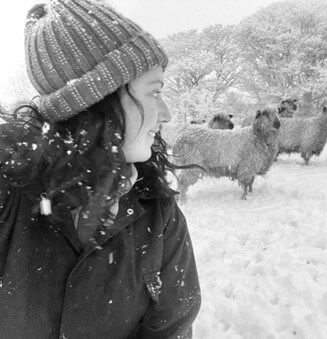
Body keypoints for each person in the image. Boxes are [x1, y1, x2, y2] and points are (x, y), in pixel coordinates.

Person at [0, 0, 201, 338]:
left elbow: (171, 327)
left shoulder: (159, 214)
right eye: (154, 93)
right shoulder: (8, 197)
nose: (165, 114)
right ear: (96, 98)